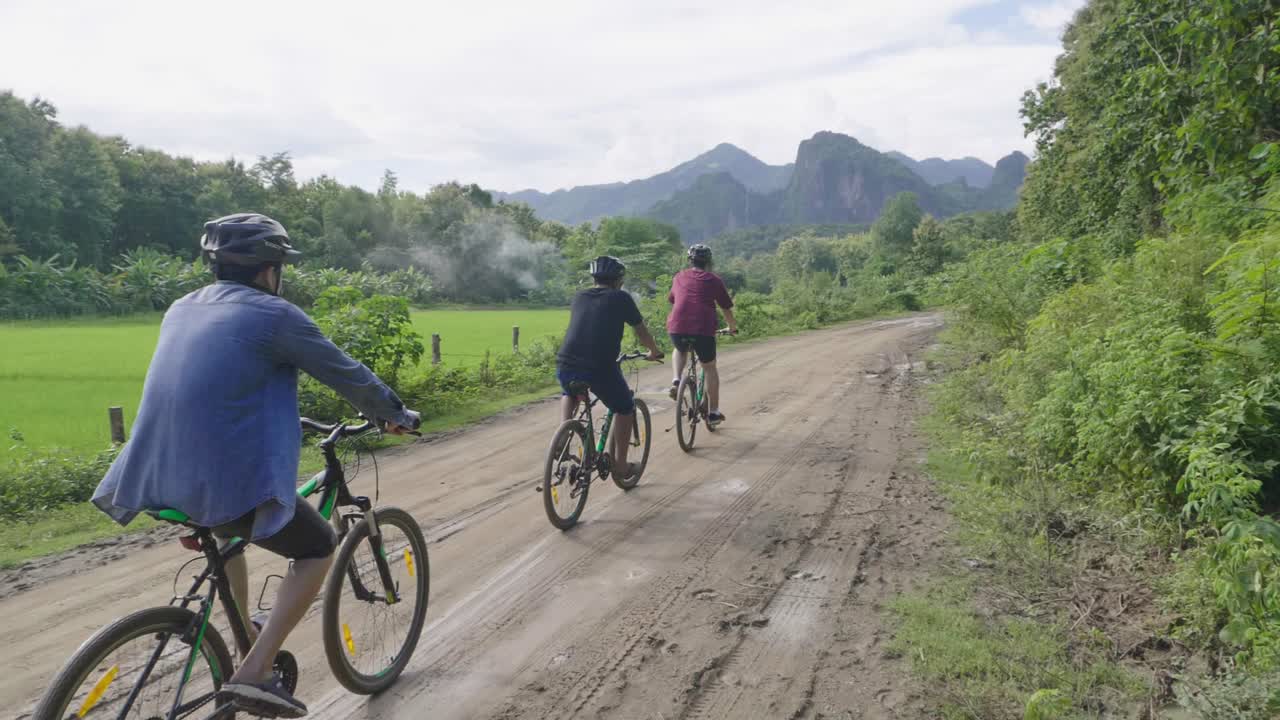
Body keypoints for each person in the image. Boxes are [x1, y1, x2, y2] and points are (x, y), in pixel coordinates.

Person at [91, 213, 419, 719]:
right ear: (272, 269)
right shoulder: (275, 315)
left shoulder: (181, 307)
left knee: (228, 538)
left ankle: (244, 641)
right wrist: (394, 414)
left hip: (152, 476)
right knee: (317, 546)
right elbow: (345, 373)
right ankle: (254, 673)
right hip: (219, 480)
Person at [556, 256, 663, 480]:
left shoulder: (579, 296)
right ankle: (621, 466)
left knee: (570, 391)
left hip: (565, 362)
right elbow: (641, 332)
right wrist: (654, 351)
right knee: (624, 407)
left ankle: (564, 434)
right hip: (599, 367)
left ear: (594, 278)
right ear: (618, 280)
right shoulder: (621, 298)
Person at [667, 244, 737, 423]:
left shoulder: (679, 277)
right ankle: (713, 412)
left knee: (679, 348)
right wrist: (732, 327)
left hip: (677, 326)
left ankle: (676, 379)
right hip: (703, 329)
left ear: (690, 260)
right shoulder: (714, 280)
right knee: (709, 368)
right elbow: (726, 307)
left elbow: (673, 300)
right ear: (709, 262)